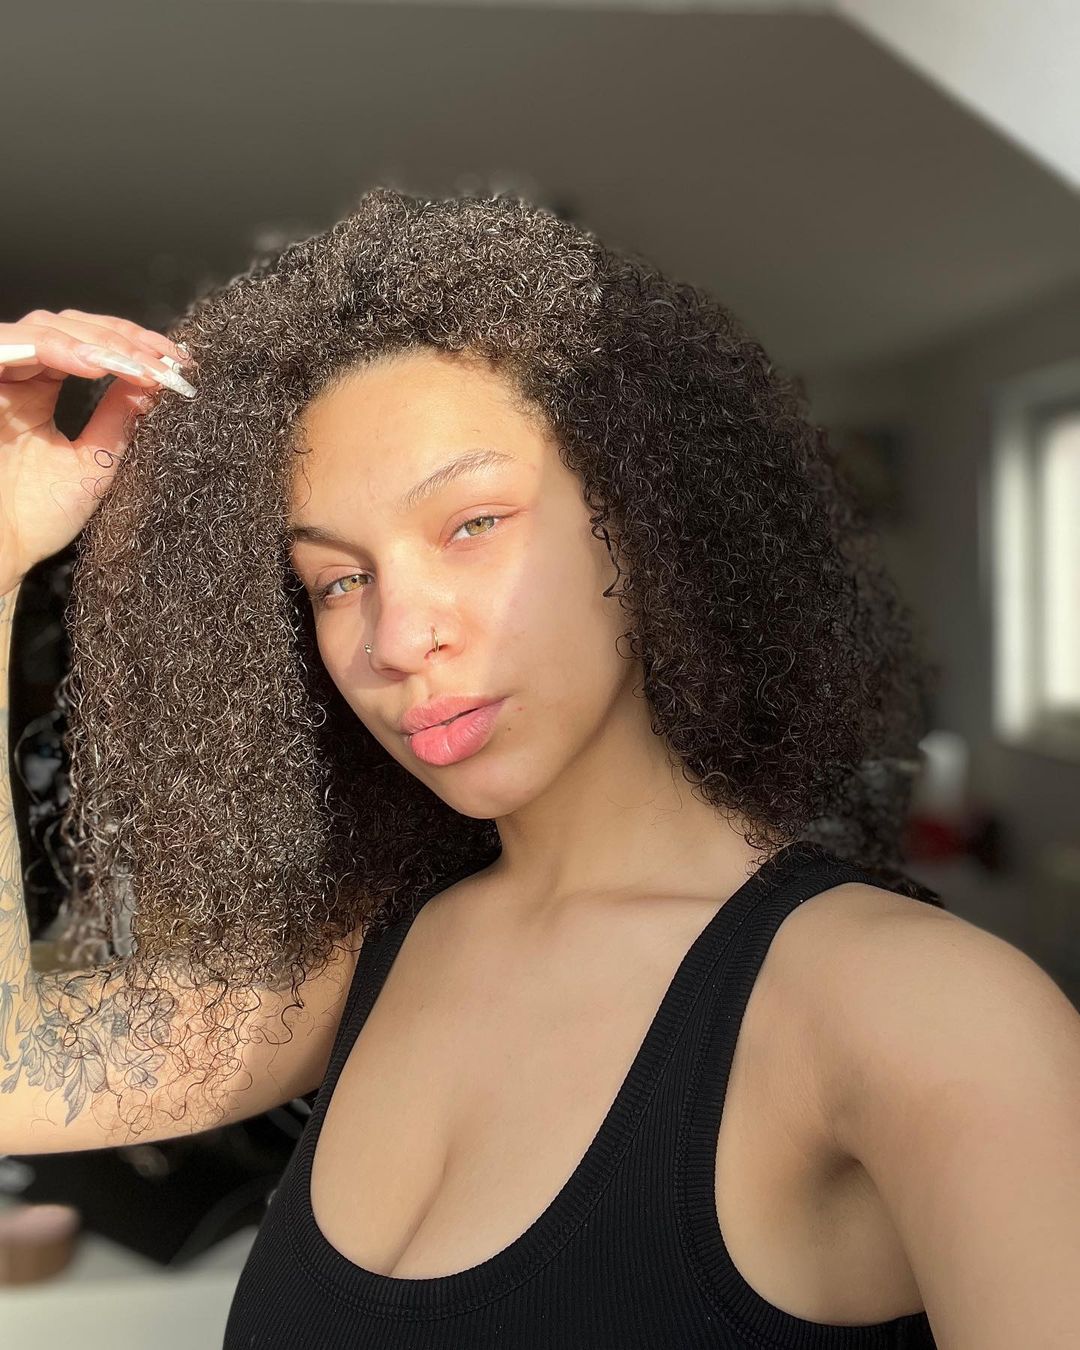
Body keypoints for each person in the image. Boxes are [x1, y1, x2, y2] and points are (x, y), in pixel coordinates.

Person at [2, 189, 1078, 1348]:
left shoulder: (925, 1014)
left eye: (472, 525)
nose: (398, 637)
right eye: (337, 580)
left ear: (643, 523)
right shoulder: (361, 960)